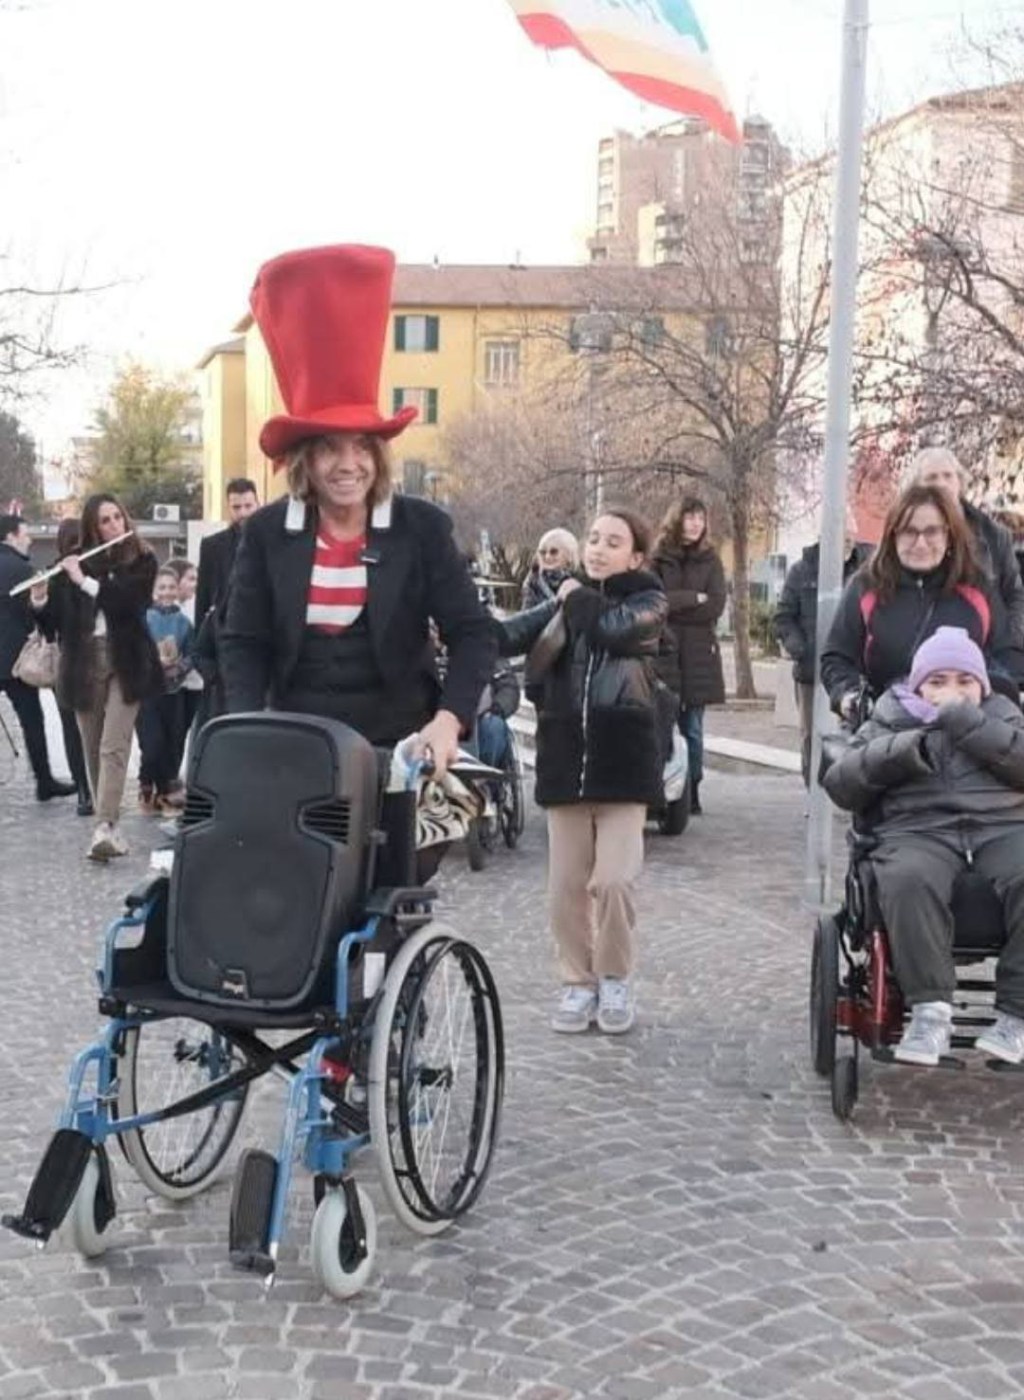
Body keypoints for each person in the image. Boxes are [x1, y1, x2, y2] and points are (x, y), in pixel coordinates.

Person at [220, 244, 495, 783]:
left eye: (362, 448)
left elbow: (473, 632)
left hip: (400, 751)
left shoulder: (422, 528)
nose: (348, 465)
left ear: (379, 454)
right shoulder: (269, 533)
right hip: (296, 752)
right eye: (329, 449)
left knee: (395, 869)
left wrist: (449, 719)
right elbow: (243, 641)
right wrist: (247, 724)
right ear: (305, 460)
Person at [498, 506, 667, 1036]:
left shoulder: (650, 601)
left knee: (614, 881)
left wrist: (571, 596)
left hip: (624, 759)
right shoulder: (563, 602)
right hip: (566, 757)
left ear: (636, 555)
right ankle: (577, 983)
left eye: (612, 541)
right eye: (592, 538)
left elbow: (613, 629)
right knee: (565, 887)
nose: (596, 548)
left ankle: (614, 977)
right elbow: (508, 635)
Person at [823, 627, 1024, 1067]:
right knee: (908, 877)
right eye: (937, 681)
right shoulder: (892, 714)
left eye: (964, 681)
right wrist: (901, 750)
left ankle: (1016, 1016)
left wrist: (971, 726)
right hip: (919, 829)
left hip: (1002, 825)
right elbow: (840, 782)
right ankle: (930, 1012)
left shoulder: (1003, 713)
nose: (951, 691)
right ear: (917, 685)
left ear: (982, 686)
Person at [35, 493, 163, 861]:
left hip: (127, 661)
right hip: (83, 662)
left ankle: (105, 825)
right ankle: (105, 825)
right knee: (91, 746)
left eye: (117, 518)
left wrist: (84, 581)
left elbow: (129, 603)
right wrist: (41, 600)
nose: (113, 526)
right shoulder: (72, 564)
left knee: (113, 744)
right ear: (93, 528)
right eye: (104, 521)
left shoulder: (142, 558)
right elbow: (53, 624)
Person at [821, 483, 1018, 720]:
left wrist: (975, 694)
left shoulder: (977, 588)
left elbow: (1008, 658)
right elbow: (837, 657)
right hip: (883, 728)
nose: (921, 543)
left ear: (949, 534)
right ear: (893, 535)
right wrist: (849, 697)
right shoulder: (865, 587)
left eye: (932, 531)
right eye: (909, 531)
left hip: (965, 729)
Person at [773, 508, 873, 787]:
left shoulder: (868, 567)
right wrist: (800, 649)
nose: (847, 540)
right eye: (840, 534)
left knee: (855, 731)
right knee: (811, 736)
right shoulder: (802, 570)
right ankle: (813, 791)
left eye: (850, 534)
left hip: (854, 670)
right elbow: (783, 617)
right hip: (811, 672)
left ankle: (848, 790)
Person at [651, 496, 726, 814]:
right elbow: (656, 601)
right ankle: (663, 786)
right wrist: (691, 598)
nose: (696, 523)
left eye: (701, 517)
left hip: (698, 656)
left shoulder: (711, 559)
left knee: (692, 727)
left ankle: (691, 789)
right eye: (690, 517)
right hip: (663, 650)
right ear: (677, 518)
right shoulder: (658, 558)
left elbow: (715, 605)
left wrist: (677, 605)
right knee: (662, 721)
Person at [909, 447, 1024, 647]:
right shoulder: (903, 535)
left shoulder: (994, 536)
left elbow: (1014, 596)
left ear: (960, 482)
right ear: (917, 487)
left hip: (985, 654)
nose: (941, 484)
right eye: (932, 478)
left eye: (948, 476)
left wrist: (1008, 648)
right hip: (923, 653)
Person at [0, 514, 76, 802]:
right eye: (25, 534)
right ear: (10, 536)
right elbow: (35, 612)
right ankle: (44, 781)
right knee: (32, 721)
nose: (29, 539)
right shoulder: (23, 570)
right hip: (17, 661)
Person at [193, 478, 260, 723]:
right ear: (228, 508)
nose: (243, 513)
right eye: (236, 507)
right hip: (222, 636)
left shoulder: (271, 542)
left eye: (248, 506)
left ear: (257, 504)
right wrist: (207, 666)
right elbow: (203, 598)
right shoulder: (213, 545)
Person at [136, 565, 194, 815]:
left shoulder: (184, 622)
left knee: (173, 742)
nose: (167, 592)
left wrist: (180, 667)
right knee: (152, 744)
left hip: (174, 689)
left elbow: (193, 652)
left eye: (171, 587)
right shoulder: (144, 618)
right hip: (148, 690)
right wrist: (152, 662)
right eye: (162, 587)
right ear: (153, 590)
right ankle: (145, 780)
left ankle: (165, 791)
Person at [53, 518, 94, 815]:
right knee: (79, 728)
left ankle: (85, 789)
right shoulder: (56, 575)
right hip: (77, 657)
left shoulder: (93, 571)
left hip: (76, 657)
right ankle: (86, 788)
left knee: (77, 729)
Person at [521, 528, 579, 610]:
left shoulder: (580, 582)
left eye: (554, 552)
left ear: (569, 555)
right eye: (543, 552)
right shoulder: (532, 583)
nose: (547, 557)